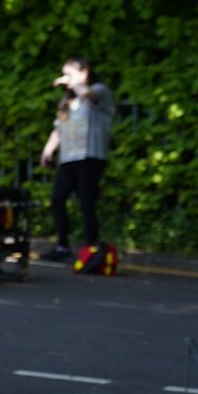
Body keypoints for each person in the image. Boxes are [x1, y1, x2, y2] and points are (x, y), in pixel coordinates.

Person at [38, 57, 115, 262]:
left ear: (85, 72)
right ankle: (62, 246)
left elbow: (88, 94)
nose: (65, 79)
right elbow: (59, 127)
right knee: (57, 199)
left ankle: (90, 247)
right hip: (68, 157)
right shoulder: (67, 101)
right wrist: (49, 149)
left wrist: (75, 84)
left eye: (69, 74)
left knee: (86, 202)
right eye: (64, 74)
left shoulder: (99, 90)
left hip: (90, 156)